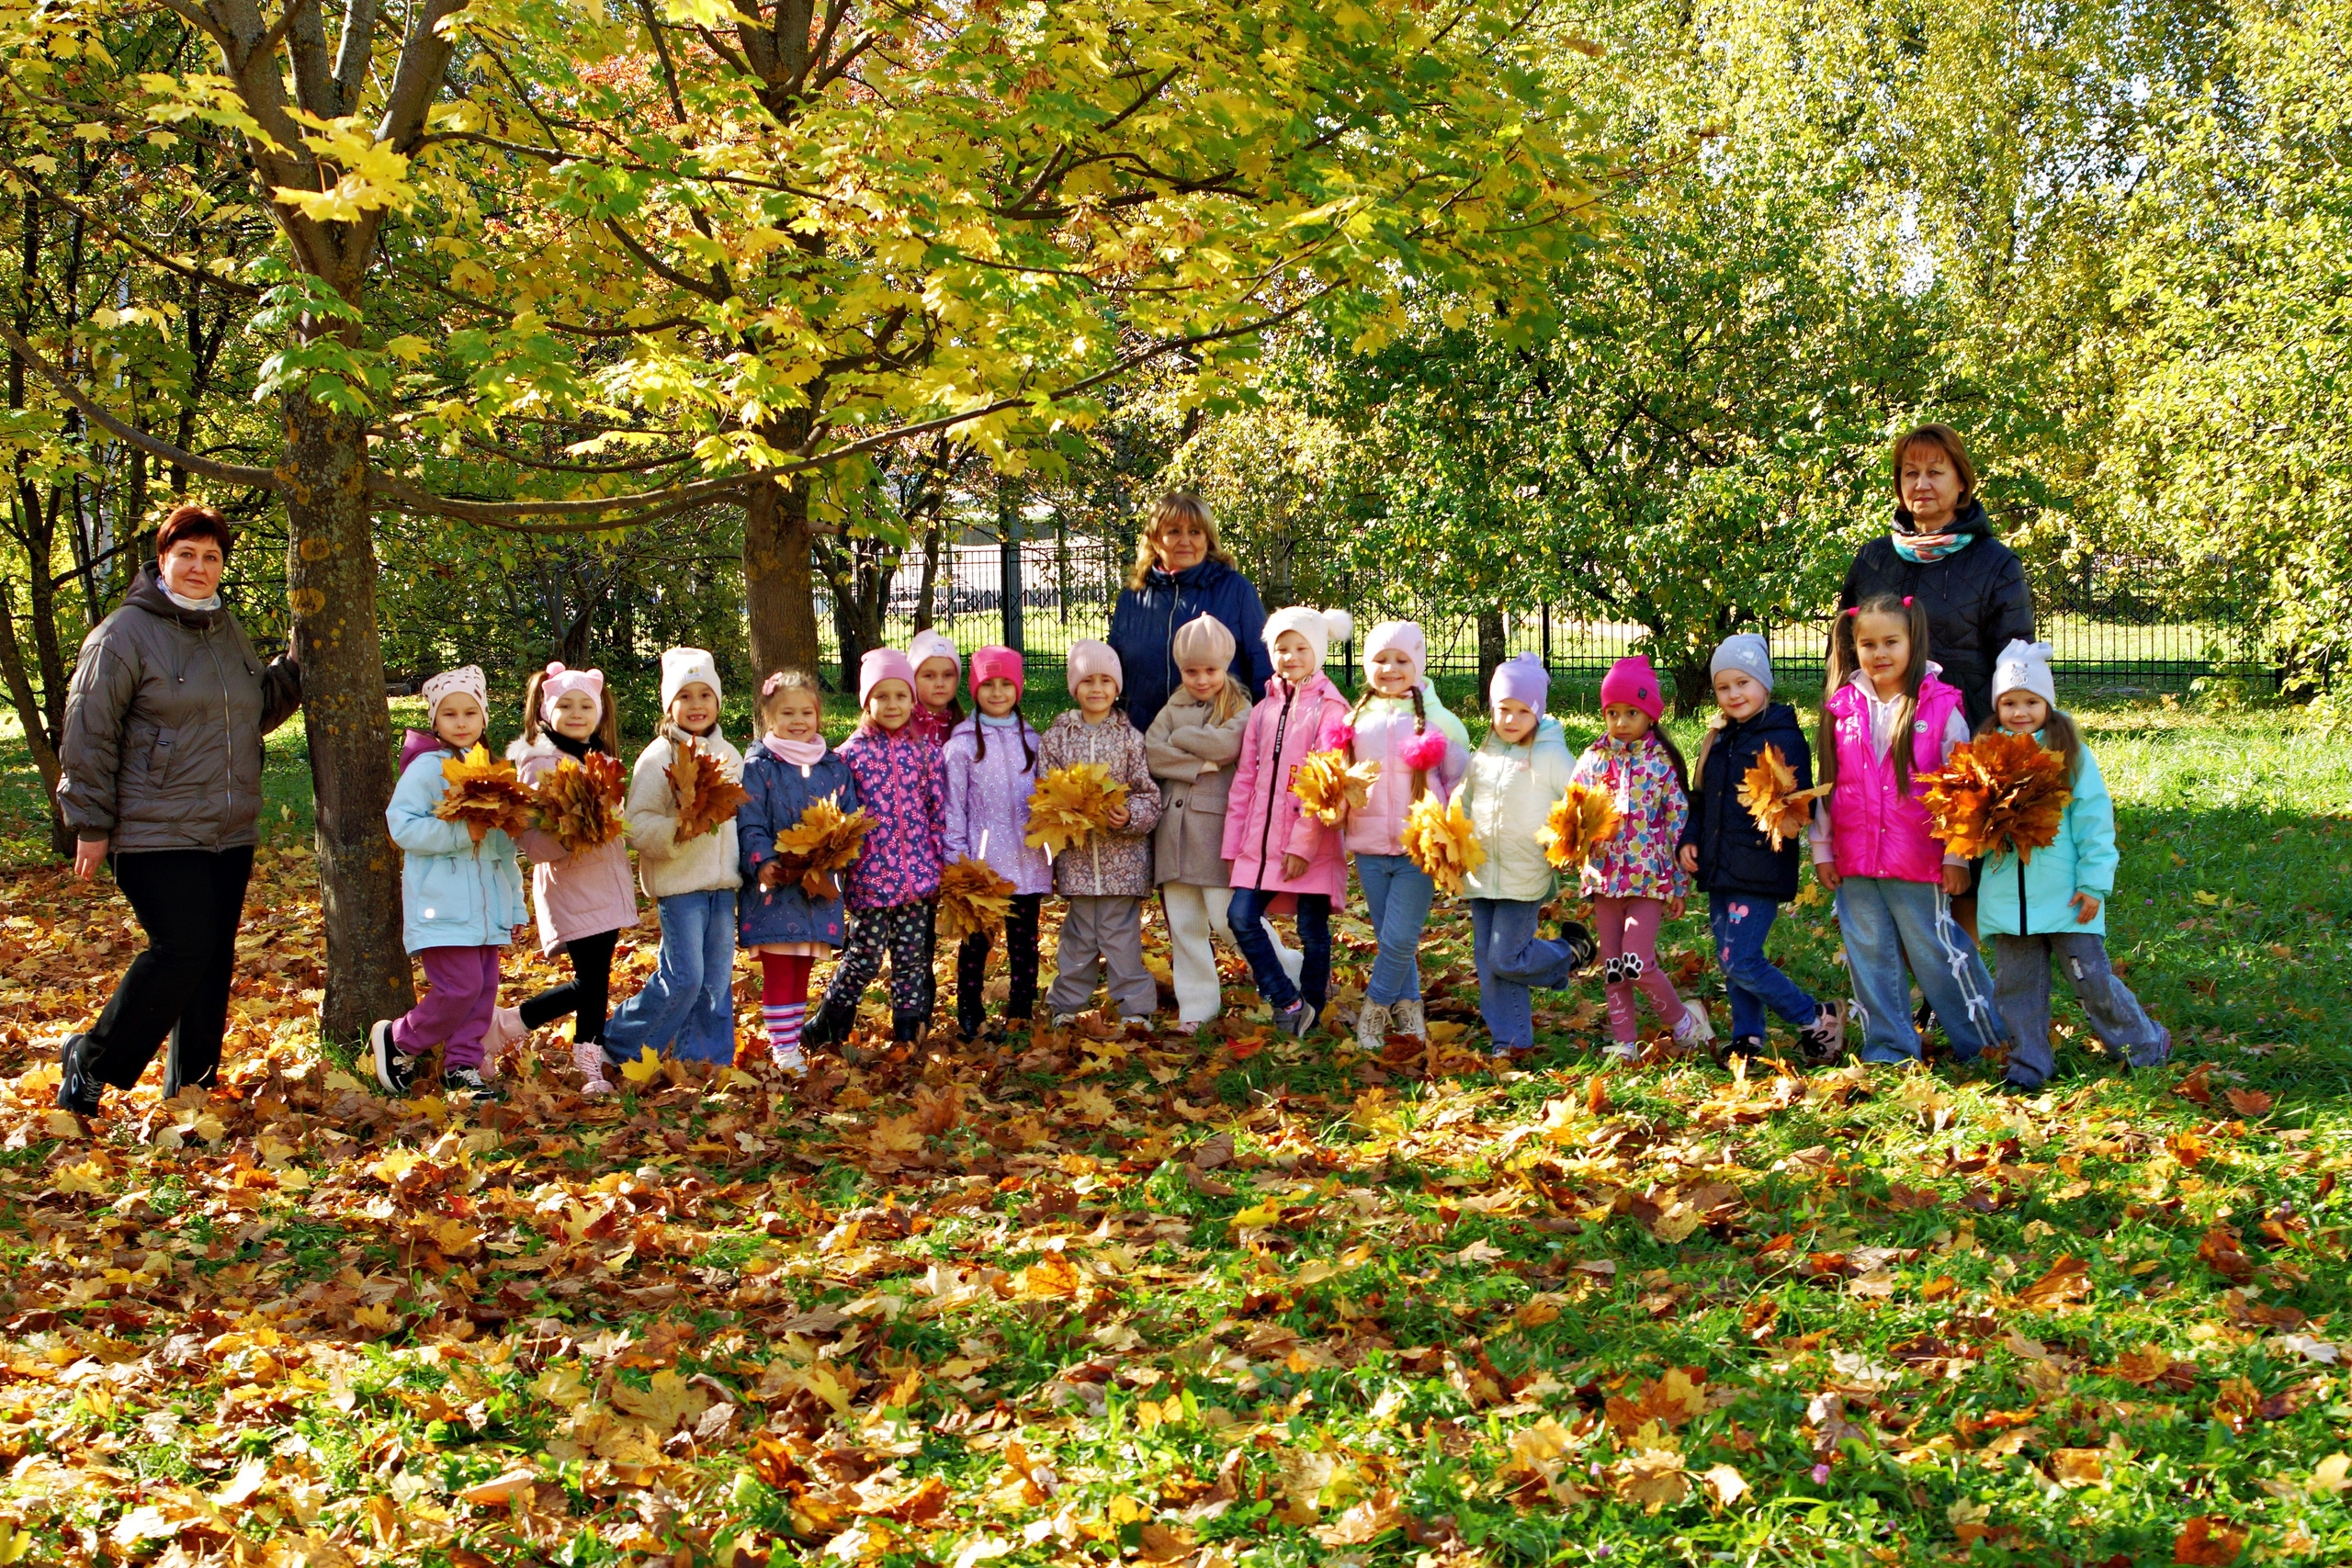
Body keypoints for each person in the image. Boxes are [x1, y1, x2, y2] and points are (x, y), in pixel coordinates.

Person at [53, 503, 301, 1114]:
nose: (198, 566)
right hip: (151, 827)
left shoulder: (226, 629)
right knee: (184, 946)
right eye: (186, 553)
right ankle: (92, 1058)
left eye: (211, 556)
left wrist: (295, 666)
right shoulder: (123, 633)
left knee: (211, 958)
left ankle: (193, 1090)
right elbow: (88, 731)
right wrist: (89, 822)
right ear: (162, 560)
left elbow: (253, 711)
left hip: (228, 827)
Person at [1841, 423, 2033, 947]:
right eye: (1910, 473)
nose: (1921, 484)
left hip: (1962, 737)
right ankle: (1900, 995)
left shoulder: (1995, 563)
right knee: (1892, 866)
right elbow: (1846, 651)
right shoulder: (1874, 560)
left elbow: (2015, 663)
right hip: (1880, 740)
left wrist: (2003, 745)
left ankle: (1955, 990)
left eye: (1934, 472)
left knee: (1958, 872)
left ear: (1961, 483)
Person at [1811, 595, 2009, 1065]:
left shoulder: (1940, 707)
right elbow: (1828, 784)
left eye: (1890, 642)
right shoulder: (1842, 708)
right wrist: (1822, 849)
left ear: (1912, 642)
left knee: (1938, 953)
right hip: (1855, 859)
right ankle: (1889, 1047)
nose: (1879, 653)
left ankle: (1986, 1042)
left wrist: (1956, 855)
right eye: (1868, 644)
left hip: (1918, 860)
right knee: (1870, 958)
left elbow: (1963, 789)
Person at [1975, 640, 2170, 1089]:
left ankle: (2145, 1043)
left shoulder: (2072, 757)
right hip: (2009, 903)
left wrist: (2094, 884)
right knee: (2016, 991)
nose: (2020, 711)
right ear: (1997, 706)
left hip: (2066, 898)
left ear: (2048, 703)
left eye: (2030, 701)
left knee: (2093, 980)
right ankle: (2029, 1065)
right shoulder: (1982, 757)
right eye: (2009, 702)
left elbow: (2094, 824)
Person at [1676, 635, 1843, 1065]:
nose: (1734, 695)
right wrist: (1691, 838)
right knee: (1730, 954)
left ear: (1764, 684)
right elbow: (1702, 798)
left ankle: (1814, 1015)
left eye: (1743, 683)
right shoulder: (1717, 739)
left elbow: (1795, 801)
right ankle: (1747, 1035)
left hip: (1759, 866)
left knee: (1741, 958)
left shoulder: (1782, 736)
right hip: (1719, 867)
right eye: (1723, 687)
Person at [369, 666, 530, 1100]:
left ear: (483, 719)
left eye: (470, 713)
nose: (461, 723)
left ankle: (462, 1065)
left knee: (483, 992)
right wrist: (461, 834)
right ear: (435, 722)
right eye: (449, 714)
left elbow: (502, 852)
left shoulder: (493, 773)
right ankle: (399, 1039)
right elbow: (401, 826)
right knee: (459, 988)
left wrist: (515, 908)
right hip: (441, 906)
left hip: (486, 911)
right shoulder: (426, 768)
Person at [1143, 614, 1300, 1033]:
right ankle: (1196, 1006)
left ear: (1225, 666)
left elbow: (1225, 745)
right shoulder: (1172, 706)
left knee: (1228, 918)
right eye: (1191, 671)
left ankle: (1289, 969)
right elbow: (1152, 753)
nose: (1200, 679)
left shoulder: (1240, 705)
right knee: (1185, 925)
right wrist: (1200, 763)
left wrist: (1182, 741)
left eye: (1210, 670)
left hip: (1214, 832)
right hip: (1171, 834)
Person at [602, 649, 743, 1067]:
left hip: (723, 886)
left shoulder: (730, 754)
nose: (696, 705)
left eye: (705, 695)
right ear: (669, 705)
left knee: (715, 981)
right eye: (685, 696)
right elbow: (636, 823)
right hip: (681, 886)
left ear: (718, 701)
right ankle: (619, 1043)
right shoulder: (658, 756)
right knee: (684, 978)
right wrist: (676, 830)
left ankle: (703, 1062)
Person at [1336, 620, 1470, 1049]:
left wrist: (1452, 833)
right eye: (1379, 660)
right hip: (1369, 847)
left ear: (1419, 664)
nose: (1390, 668)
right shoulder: (1354, 720)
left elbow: (1459, 783)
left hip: (1419, 847)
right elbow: (1340, 780)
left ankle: (1374, 1010)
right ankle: (1409, 1007)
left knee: (1400, 938)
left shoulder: (1439, 720)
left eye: (1401, 660)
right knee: (1389, 935)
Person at [1221, 607, 1353, 1037]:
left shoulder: (1331, 709)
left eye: (1301, 648)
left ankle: (1311, 1010)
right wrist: (1234, 845)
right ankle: (1287, 999)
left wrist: (1302, 845)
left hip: (1309, 845)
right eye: (1281, 648)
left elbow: (1323, 783)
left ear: (1318, 651)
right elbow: (1244, 779)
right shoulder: (1262, 709)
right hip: (1259, 844)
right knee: (1240, 917)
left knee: (1312, 930)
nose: (1291, 656)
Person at [508, 662, 639, 1094]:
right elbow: (530, 836)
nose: (577, 712)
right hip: (572, 883)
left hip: (603, 882)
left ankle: (590, 1054)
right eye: (566, 705)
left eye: (586, 704)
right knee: (589, 979)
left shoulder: (598, 759)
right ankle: (512, 1025)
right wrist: (572, 838)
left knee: (598, 977)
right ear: (546, 711)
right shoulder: (542, 763)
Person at [1456, 655, 1597, 1057]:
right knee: (1489, 961)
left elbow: (1580, 800)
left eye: (1523, 711)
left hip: (1526, 874)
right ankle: (1511, 1041)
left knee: (1506, 956)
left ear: (1537, 712)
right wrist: (1455, 843)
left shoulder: (1551, 756)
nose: (1511, 719)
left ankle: (1568, 954)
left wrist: (1572, 842)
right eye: (1503, 710)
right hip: (1482, 873)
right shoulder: (1482, 756)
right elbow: (1463, 803)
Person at [807, 650, 948, 1047]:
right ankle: (829, 1021)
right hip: (871, 879)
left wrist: (940, 862)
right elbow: (836, 820)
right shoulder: (848, 757)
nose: (892, 705)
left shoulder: (925, 753)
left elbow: (938, 811)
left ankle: (907, 1031)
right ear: (866, 700)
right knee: (864, 957)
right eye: (881, 696)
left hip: (918, 879)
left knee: (911, 959)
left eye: (900, 696)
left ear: (912, 700)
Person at [1572, 656, 1711, 1060]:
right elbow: (1572, 812)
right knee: (1613, 965)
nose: (1620, 722)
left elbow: (1677, 827)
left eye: (1631, 712)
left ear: (1650, 714)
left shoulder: (1661, 764)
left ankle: (1684, 1022)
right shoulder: (1593, 760)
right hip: (1604, 880)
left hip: (1648, 882)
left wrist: (1678, 885)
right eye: (1612, 713)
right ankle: (1625, 1041)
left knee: (1636, 960)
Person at [1039, 640, 1165, 1024]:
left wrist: (1129, 818)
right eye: (1087, 680)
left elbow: (1149, 796)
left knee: (1119, 936)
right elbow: (1044, 793)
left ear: (1117, 688)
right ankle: (1067, 1005)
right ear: (1074, 686)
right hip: (1077, 860)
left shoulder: (1131, 739)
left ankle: (1135, 1008)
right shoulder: (1057, 738)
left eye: (1105, 681)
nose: (1097, 689)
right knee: (1077, 937)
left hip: (1122, 864)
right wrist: (1064, 811)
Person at [738, 671, 856, 1076]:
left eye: (807, 712)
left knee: (802, 967)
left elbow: (848, 822)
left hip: (816, 889)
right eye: (787, 712)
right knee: (778, 966)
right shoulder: (759, 766)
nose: (798, 720)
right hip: (775, 886)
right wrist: (764, 860)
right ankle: (783, 1048)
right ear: (769, 717)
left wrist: (836, 858)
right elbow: (749, 820)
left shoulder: (834, 767)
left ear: (818, 715)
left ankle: (790, 1042)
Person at [941, 646, 1052, 1040]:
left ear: (1018, 688)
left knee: (1025, 946)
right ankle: (970, 1014)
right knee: (976, 948)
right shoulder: (961, 746)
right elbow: (953, 809)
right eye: (989, 684)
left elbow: (1047, 799)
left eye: (1007, 684)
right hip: (983, 868)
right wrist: (960, 861)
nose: (998, 692)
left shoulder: (1035, 742)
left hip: (1029, 861)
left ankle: (1020, 1012)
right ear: (975, 689)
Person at [1106, 491, 1272, 735]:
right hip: (1141, 743)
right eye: (1174, 531)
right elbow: (1113, 675)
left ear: (1208, 539)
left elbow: (1263, 672)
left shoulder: (1236, 590)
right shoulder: (1133, 598)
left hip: (1217, 747)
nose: (1185, 541)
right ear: (1154, 539)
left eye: (1194, 531)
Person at [906, 628, 963, 748]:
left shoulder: (965, 728)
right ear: (913, 679)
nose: (940, 684)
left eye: (948, 675)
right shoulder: (901, 725)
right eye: (929, 676)